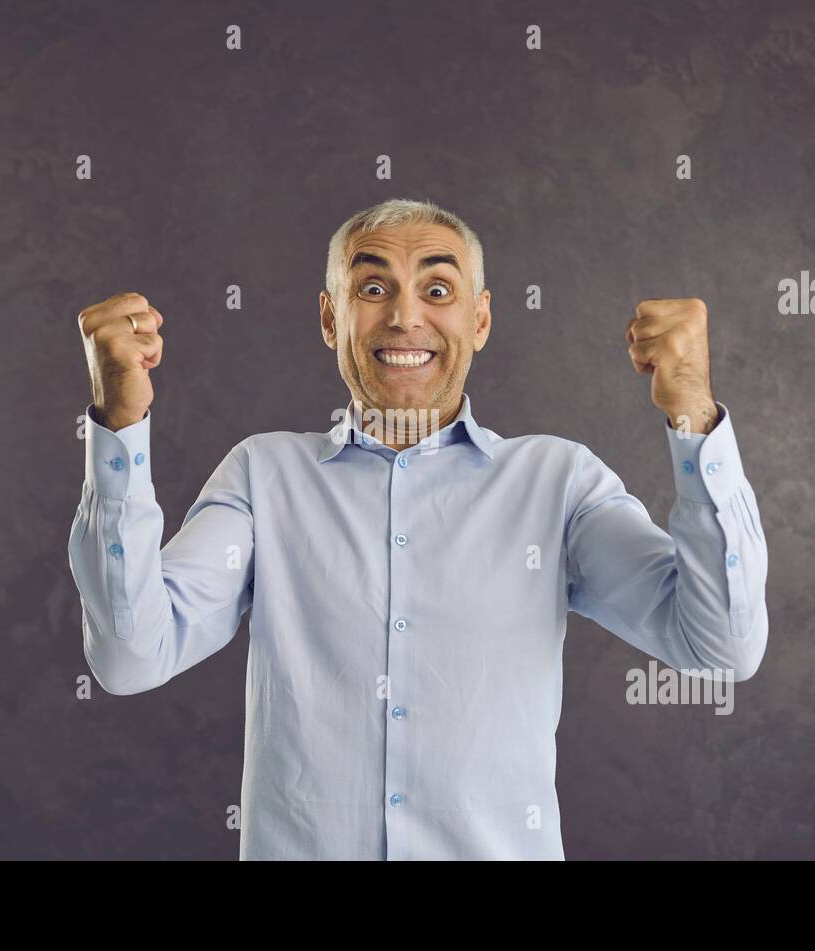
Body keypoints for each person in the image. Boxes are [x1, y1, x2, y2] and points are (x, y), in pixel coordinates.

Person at [68, 198, 768, 860]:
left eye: (437, 291)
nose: (405, 317)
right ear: (328, 318)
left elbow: (720, 645)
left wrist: (694, 416)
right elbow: (132, 655)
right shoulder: (262, 475)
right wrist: (120, 421)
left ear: (482, 321)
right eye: (372, 289)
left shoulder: (558, 483)